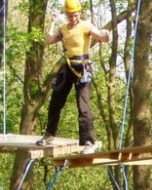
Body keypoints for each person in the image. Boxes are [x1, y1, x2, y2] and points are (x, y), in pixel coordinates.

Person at [37, 0, 111, 154]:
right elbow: (48, 40)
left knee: (83, 106)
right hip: (68, 67)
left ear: (80, 13)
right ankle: (49, 134)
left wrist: (107, 35)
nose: (73, 18)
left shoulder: (86, 26)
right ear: (66, 15)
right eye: (70, 15)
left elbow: (101, 37)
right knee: (55, 102)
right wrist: (52, 22)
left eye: (75, 15)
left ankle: (88, 142)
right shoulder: (63, 28)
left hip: (83, 67)